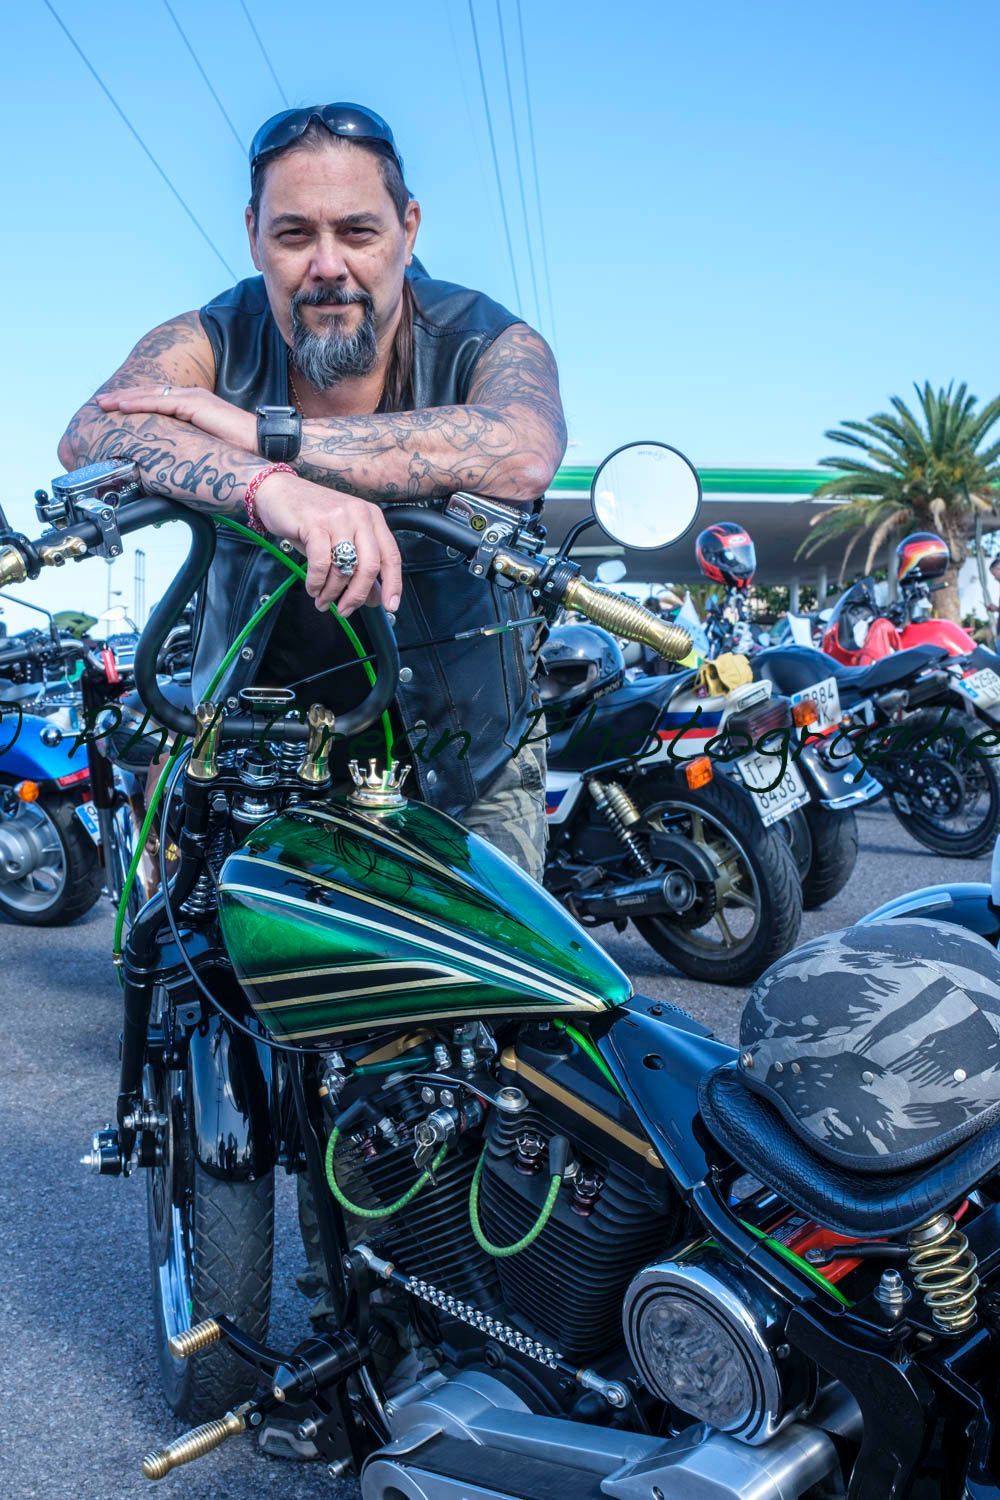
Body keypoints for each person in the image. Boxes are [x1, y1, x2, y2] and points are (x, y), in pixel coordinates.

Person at [58, 102, 567, 878]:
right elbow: (92, 431)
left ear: (409, 230)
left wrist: (269, 438)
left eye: (358, 232)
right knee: (205, 958)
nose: (328, 264)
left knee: (485, 984)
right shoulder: (214, 332)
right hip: (252, 744)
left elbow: (522, 450)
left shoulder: (487, 337)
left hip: (467, 746)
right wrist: (274, 490)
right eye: (294, 235)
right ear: (254, 235)